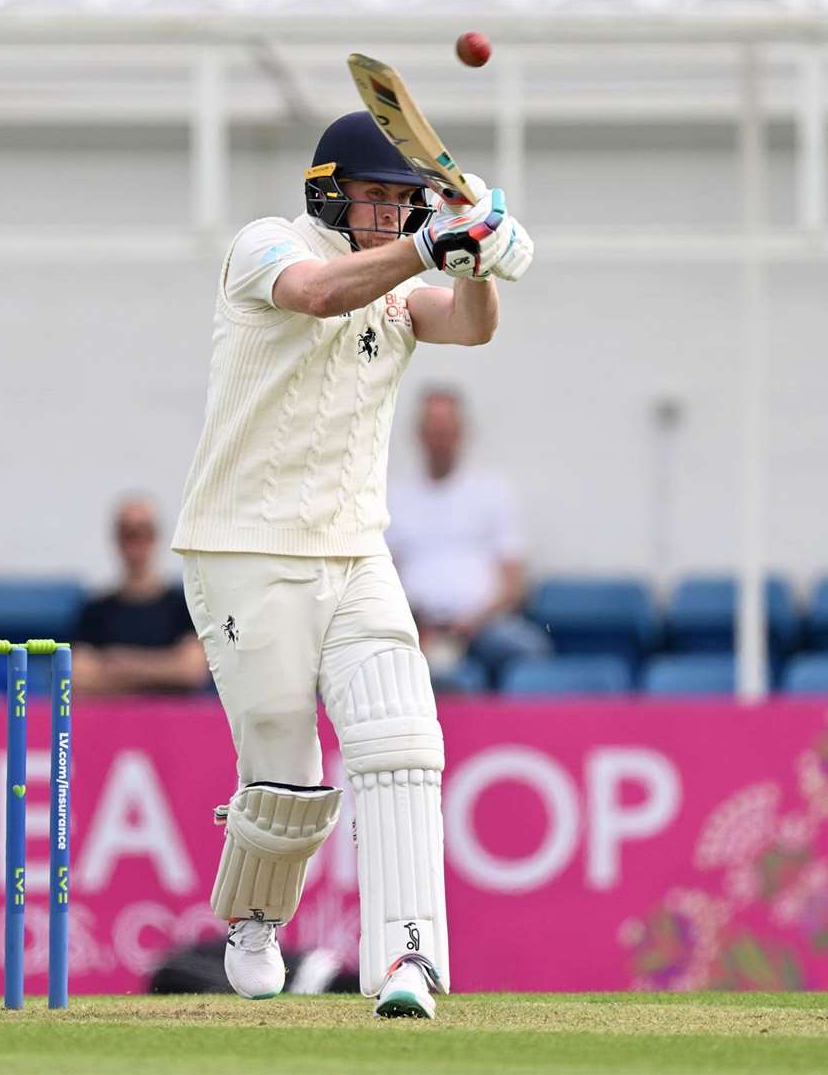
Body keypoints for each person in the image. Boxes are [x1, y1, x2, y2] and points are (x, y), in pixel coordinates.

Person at [170, 111, 533, 1019]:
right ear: (329, 190)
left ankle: (408, 961)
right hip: (243, 547)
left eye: (403, 201)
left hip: (355, 548)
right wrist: (430, 240)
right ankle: (254, 919)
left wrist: (475, 258)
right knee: (287, 774)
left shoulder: (405, 279)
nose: (391, 213)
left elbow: (471, 329)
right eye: (377, 197)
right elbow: (320, 295)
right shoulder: (266, 247)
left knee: (402, 740)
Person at [388, 387, 551, 687]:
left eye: (447, 429)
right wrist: (417, 621)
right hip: (415, 626)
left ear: (462, 432)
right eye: (433, 430)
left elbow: (514, 580)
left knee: (528, 648)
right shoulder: (393, 496)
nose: (440, 439)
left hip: (484, 625)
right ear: (419, 434)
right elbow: (383, 573)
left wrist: (472, 622)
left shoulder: (493, 491)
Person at [69, 496, 208, 695]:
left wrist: (121, 663)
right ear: (117, 540)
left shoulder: (183, 607)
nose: (136, 543)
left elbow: (192, 671)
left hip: (174, 722)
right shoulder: (95, 610)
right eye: (129, 534)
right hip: (108, 721)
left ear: (155, 537)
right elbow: (77, 675)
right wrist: (163, 671)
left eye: (143, 532)